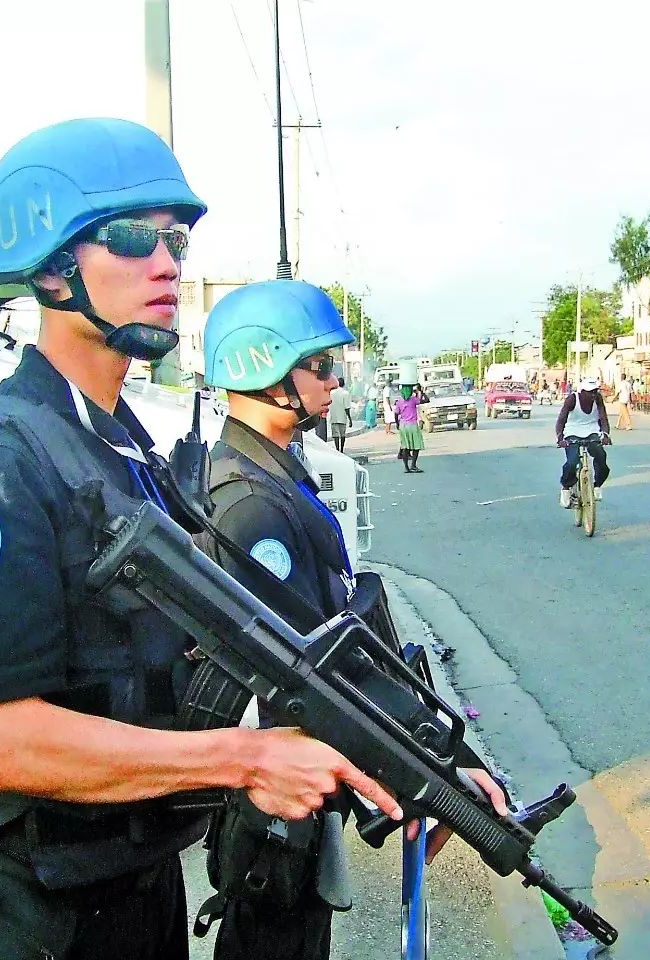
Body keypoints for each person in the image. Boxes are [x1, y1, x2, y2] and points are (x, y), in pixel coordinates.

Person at [0, 119, 403, 960]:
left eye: (176, 241)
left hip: (140, 900)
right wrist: (242, 759)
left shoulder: (126, 453)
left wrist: (407, 764)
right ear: (54, 268)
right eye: (133, 240)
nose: (168, 264)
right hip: (33, 922)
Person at [198, 280, 508, 960]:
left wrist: (449, 764)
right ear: (266, 369)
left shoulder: (274, 472)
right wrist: (438, 770)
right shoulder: (249, 504)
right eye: (319, 366)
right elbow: (320, 675)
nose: (334, 380)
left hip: (300, 792)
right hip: (277, 804)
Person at [556, 376, 612, 508]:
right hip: (572, 432)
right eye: (590, 392)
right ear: (582, 392)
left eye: (595, 391)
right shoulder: (572, 399)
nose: (593, 394)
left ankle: (597, 485)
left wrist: (605, 434)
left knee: (601, 456)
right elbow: (561, 420)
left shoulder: (597, 399)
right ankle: (566, 487)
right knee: (572, 461)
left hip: (592, 430)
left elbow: (603, 418)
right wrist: (560, 438)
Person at [395, 382, 429, 472]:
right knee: (416, 446)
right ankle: (413, 465)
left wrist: (397, 424)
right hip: (412, 425)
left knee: (405, 447)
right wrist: (421, 391)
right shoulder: (413, 400)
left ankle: (406, 467)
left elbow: (396, 414)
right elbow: (426, 400)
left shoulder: (399, 401)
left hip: (403, 425)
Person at [327, 376, 352, 453]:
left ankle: (337, 449)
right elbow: (347, 407)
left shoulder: (331, 393)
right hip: (342, 416)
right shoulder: (345, 393)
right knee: (342, 434)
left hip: (333, 416)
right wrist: (350, 419)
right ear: (344, 384)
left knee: (335, 434)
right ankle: (341, 449)